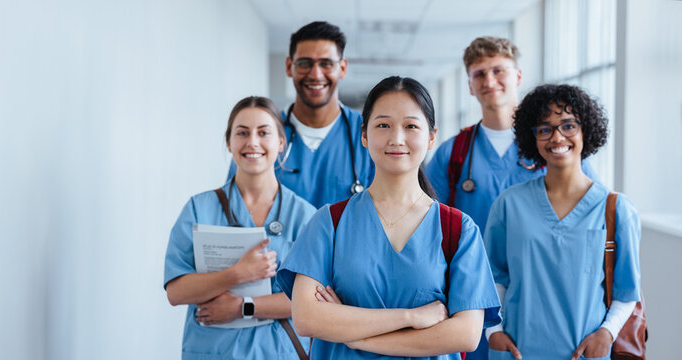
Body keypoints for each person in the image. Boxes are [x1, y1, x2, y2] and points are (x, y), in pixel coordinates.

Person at [277, 76, 500, 359]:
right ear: (365, 136)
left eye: (411, 126)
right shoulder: (329, 222)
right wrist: (410, 317)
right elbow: (308, 318)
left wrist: (356, 337)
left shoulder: (458, 229)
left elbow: (465, 335)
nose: (396, 139)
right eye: (383, 125)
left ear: (431, 136)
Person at [423, 37, 597, 359]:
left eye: (498, 70)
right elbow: (426, 223)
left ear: (517, 76)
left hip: (548, 297)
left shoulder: (555, 145)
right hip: (470, 297)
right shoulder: (453, 154)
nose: (490, 81)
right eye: (479, 74)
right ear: (470, 86)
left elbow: (594, 217)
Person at [483, 84, 640, 360]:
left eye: (568, 126)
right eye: (544, 129)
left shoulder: (616, 209)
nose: (557, 137)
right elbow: (493, 280)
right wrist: (493, 331)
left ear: (585, 130)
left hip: (585, 353)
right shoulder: (508, 205)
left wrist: (607, 334)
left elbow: (626, 291)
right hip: (519, 351)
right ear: (533, 138)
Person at [164, 96, 317, 359]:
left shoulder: (305, 216)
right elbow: (176, 292)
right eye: (242, 133)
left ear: (281, 143)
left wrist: (243, 307)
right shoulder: (199, 209)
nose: (252, 142)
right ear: (229, 142)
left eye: (264, 132)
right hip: (213, 350)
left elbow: (312, 300)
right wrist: (236, 274)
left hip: (278, 352)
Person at [227, 21, 374, 208]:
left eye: (326, 64)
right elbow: (233, 209)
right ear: (289, 66)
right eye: (305, 63)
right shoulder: (260, 134)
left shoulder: (368, 134)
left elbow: (386, 211)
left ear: (342, 68)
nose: (315, 74)